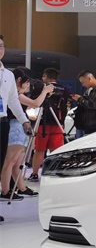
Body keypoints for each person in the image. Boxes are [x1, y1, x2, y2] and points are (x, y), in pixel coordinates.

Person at [1, 68, 52, 200]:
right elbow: (36, 103)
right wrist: (45, 91)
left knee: (16, 163)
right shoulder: (16, 94)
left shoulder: (18, 94)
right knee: (9, 161)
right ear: (19, 80)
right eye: (27, 81)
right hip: (15, 127)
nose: (28, 84)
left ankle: (20, 188)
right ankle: (5, 191)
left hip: (21, 126)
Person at [0, 36, 33, 215]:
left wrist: (24, 121)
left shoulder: (8, 74)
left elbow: (13, 100)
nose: (0, 49)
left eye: (2, 46)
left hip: (3, 123)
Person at [28, 68, 71, 183]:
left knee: (39, 150)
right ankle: (55, 172)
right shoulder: (64, 89)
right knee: (56, 151)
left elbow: (33, 102)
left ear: (46, 76)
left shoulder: (41, 87)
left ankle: (35, 174)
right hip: (58, 123)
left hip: (43, 123)